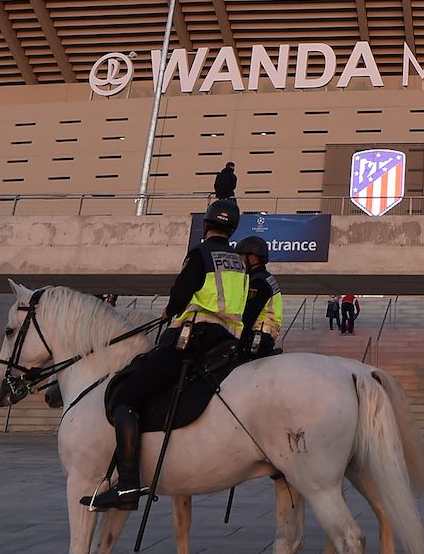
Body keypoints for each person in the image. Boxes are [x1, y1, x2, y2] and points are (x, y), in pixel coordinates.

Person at [91, 199, 248, 510]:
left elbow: (181, 293)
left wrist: (169, 311)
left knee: (127, 396)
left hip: (193, 338)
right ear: (232, 230)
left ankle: (126, 485)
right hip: (225, 342)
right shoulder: (239, 262)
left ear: (206, 225)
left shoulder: (200, 253)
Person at [237, 236, 283, 360]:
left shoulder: (258, 282)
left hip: (257, 335)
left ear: (251, 258)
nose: (239, 262)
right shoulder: (264, 277)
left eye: (241, 257)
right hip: (264, 335)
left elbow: (249, 314)